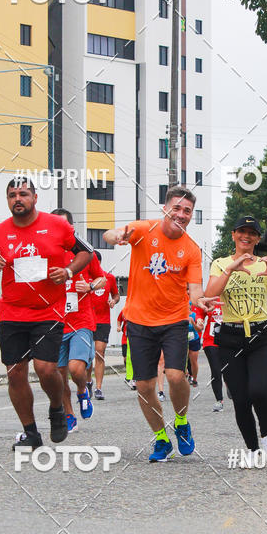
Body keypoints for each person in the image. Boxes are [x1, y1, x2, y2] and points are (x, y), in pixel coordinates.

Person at [0, 178, 93, 450]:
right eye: (12, 195)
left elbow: (86, 252)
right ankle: (31, 433)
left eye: (23, 194)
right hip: (12, 313)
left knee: (45, 368)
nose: (18, 199)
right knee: (15, 373)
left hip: (48, 311)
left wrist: (68, 271)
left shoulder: (57, 226)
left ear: (35, 198)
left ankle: (57, 408)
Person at [103, 185, 215, 462]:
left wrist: (200, 302)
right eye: (176, 208)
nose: (181, 214)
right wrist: (117, 236)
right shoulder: (144, 230)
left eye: (187, 211)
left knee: (176, 376)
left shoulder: (191, 249)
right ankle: (162, 439)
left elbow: (195, 290)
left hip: (174, 320)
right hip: (139, 321)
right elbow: (109, 235)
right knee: (144, 386)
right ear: (165, 209)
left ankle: (181, 421)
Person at [205, 216, 267, 457]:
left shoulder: (266, 265)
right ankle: (252, 449)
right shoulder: (220, 264)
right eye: (242, 231)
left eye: (252, 233)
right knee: (240, 399)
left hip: (260, 335)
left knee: (259, 391)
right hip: (230, 337)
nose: (246, 236)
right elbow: (209, 294)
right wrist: (230, 269)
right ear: (233, 234)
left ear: (258, 239)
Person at [51, 209, 105, 431]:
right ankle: (69, 414)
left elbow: (102, 279)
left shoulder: (83, 253)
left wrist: (90, 286)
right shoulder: (47, 253)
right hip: (55, 323)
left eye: (62, 226)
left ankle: (83, 391)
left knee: (76, 369)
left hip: (81, 322)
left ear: (71, 229)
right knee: (59, 376)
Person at [88, 252, 120, 400]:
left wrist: (114, 301)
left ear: (98, 262)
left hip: (103, 321)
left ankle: (98, 388)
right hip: (86, 320)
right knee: (87, 356)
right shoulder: (84, 278)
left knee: (99, 353)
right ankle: (88, 382)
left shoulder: (109, 278)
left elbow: (116, 295)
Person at [194, 300, 224, 411]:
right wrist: (199, 320)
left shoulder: (233, 295)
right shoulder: (210, 297)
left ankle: (230, 385)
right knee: (216, 370)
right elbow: (200, 311)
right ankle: (219, 400)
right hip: (211, 341)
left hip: (230, 340)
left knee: (230, 370)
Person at [117, 308, 136, 389]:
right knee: (125, 358)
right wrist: (118, 327)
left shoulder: (137, 311)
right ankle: (128, 374)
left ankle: (133, 378)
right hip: (125, 339)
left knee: (133, 358)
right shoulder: (124, 311)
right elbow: (119, 319)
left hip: (134, 338)